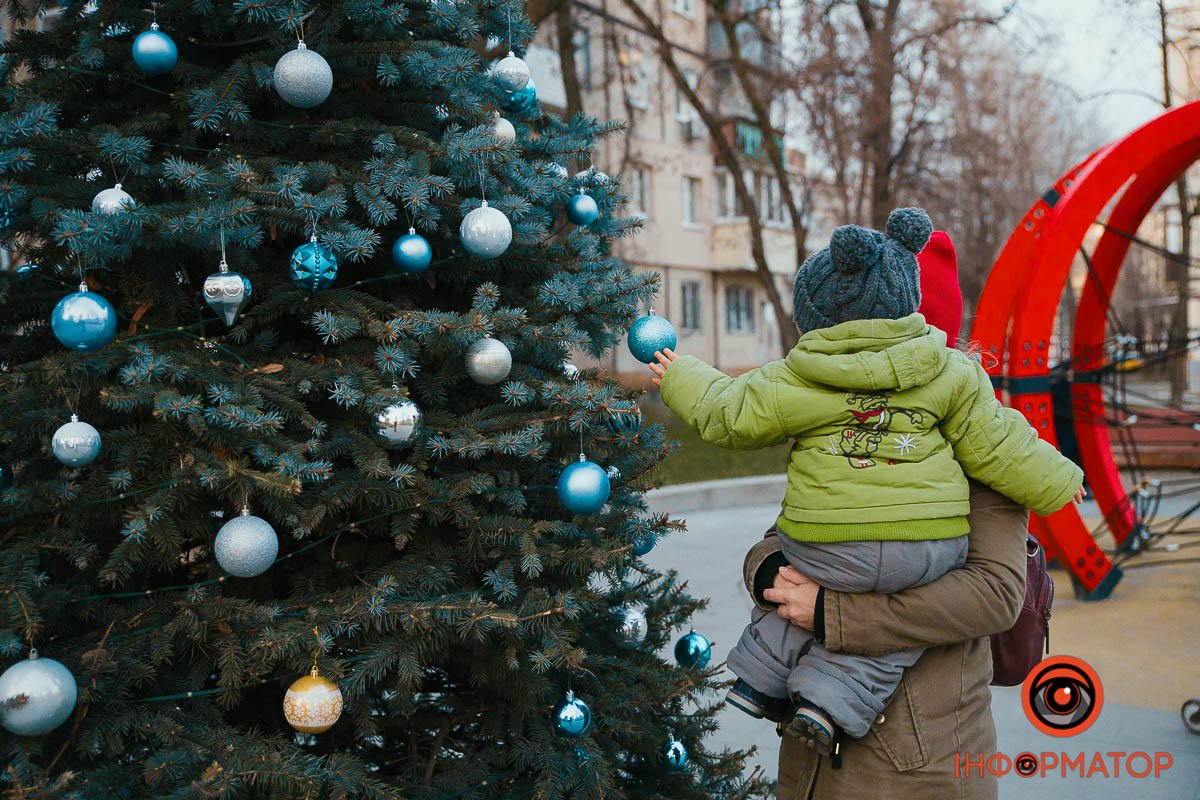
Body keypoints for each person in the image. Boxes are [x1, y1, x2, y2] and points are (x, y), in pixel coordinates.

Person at [648, 208, 1084, 757]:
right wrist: (769, 573)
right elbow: (772, 542)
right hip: (823, 747)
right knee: (841, 562)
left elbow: (993, 598)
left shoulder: (808, 378)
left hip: (917, 763)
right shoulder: (956, 398)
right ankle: (805, 691)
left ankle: (766, 677)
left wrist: (831, 611)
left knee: (827, 559)